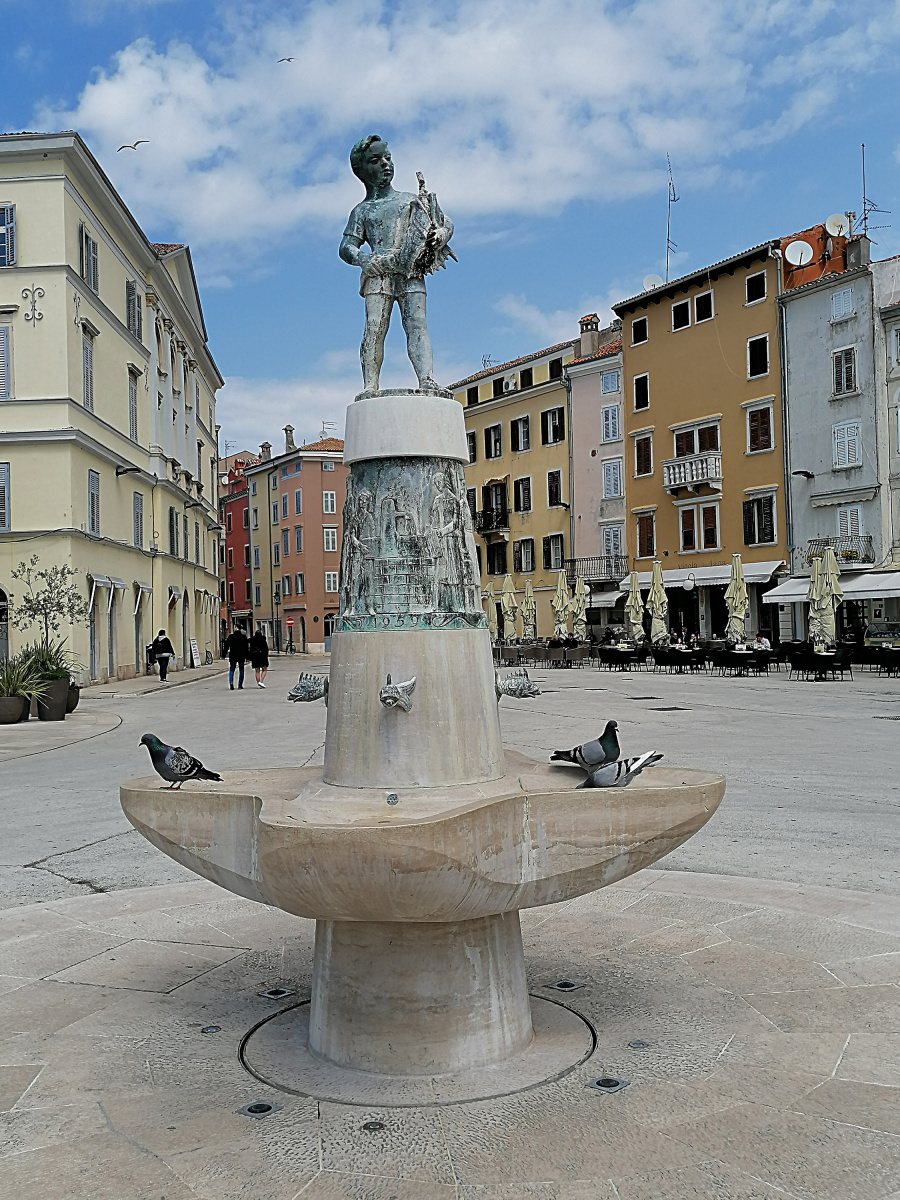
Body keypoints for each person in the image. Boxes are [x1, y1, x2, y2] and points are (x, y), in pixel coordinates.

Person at [340, 135, 453, 397]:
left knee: (416, 324)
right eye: (376, 160)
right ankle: (370, 385)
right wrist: (363, 259)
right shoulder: (362, 211)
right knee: (375, 327)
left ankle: (427, 380)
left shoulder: (410, 200)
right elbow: (346, 247)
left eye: (387, 158)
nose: (385, 164)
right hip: (378, 270)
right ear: (362, 170)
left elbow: (445, 222)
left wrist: (441, 236)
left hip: (412, 269)